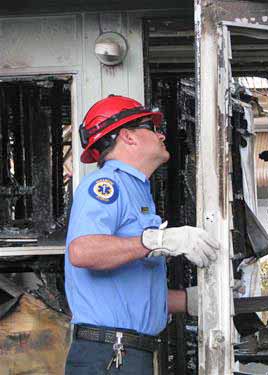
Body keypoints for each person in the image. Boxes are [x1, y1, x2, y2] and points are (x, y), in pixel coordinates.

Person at [64, 95, 219, 374]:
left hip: (126, 354)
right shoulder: (106, 185)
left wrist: (194, 299)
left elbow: (130, 292)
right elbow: (82, 251)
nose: (161, 134)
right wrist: (155, 240)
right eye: (151, 126)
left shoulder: (137, 190)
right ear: (128, 137)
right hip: (108, 355)